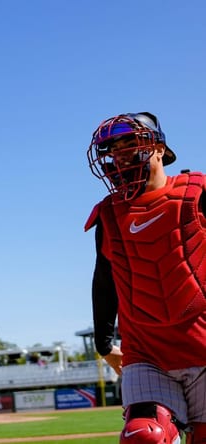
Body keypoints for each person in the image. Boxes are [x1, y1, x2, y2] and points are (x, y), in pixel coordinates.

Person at [85, 112, 206, 443]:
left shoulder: (197, 195)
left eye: (130, 143)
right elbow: (104, 280)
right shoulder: (109, 214)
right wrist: (104, 343)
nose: (120, 154)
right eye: (112, 149)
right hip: (145, 353)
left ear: (158, 148)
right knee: (145, 435)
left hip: (203, 347)